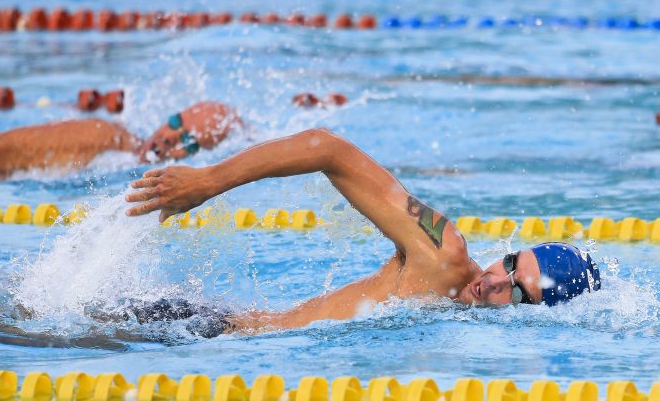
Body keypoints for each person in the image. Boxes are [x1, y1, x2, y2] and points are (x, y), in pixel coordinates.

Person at [124, 128, 601, 335]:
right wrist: (209, 181)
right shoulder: (442, 252)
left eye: (516, 295)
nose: (496, 281)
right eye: (512, 265)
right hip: (202, 328)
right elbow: (328, 149)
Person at [0, 101, 239, 189]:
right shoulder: (106, 135)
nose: (169, 136)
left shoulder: (119, 158)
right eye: (174, 121)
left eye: (187, 141)